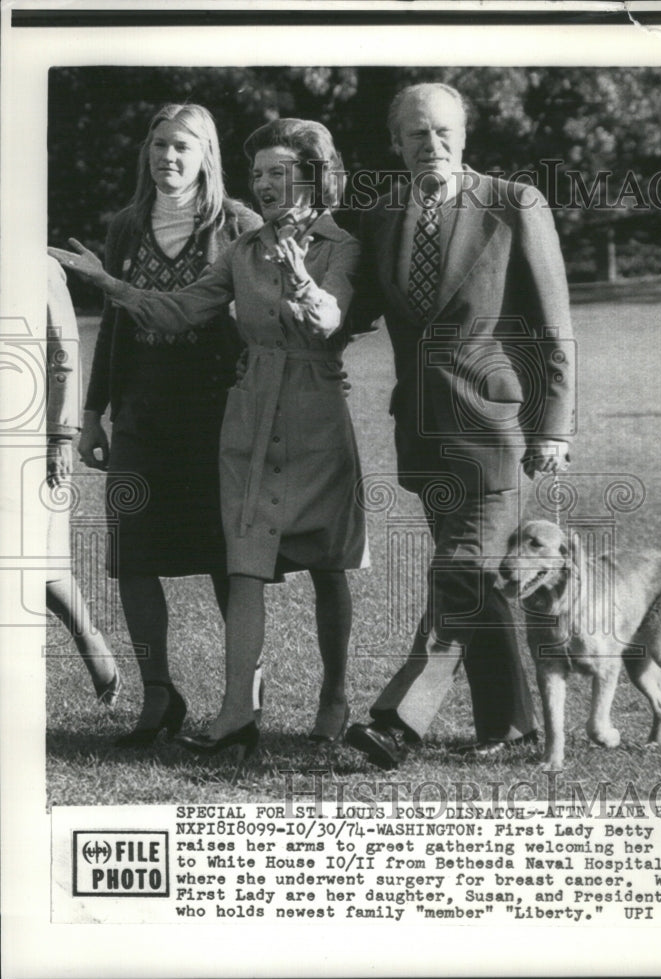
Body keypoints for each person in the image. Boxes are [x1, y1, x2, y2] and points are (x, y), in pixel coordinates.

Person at [51, 118, 365, 769]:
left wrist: (303, 274)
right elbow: (178, 308)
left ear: (311, 176)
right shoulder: (244, 252)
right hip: (248, 415)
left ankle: (334, 696)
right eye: (262, 175)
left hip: (314, 416)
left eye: (283, 173)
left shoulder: (339, 245)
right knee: (244, 564)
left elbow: (328, 319)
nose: (270, 184)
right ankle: (237, 716)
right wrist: (107, 283)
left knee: (328, 564)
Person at [344, 82, 575, 769]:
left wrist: (554, 427)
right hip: (421, 431)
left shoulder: (512, 204)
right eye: (417, 134)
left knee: (458, 570)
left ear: (465, 135)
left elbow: (553, 324)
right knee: (477, 584)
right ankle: (511, 727)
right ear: (397, 143)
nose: (432, 145)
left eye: (444, 131)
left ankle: (397, 723)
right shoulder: (382, 214)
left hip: (497, 429)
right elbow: (351, 310)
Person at [73, 103, 261, 747]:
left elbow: (266, 319)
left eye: (182, 146)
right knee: (133, 555)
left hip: (219, 412)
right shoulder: (125, 227)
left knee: (226, 560)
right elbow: (117, 326)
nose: (168, 158)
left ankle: (243, 700)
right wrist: (92, 413)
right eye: (158, 146)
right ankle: (159, 694)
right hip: (142, 415)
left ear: (206, 153)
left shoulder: (238, 223)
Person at [46, 256, 121, 709]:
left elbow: (64, 349)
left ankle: (93, 647)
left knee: (39, 562)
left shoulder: (38, 267)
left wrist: (59, 434)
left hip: (29, 434)